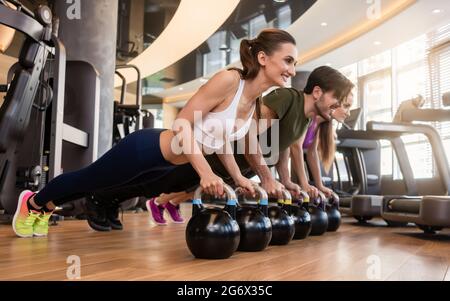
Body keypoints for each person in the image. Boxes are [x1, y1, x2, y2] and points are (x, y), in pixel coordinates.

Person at [12, 28, 298, 237]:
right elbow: (182, 124)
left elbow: (220, 142)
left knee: (92, 187)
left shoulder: (253, 104)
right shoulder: (229, 81)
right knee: (87, 179)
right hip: (145, 150)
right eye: (288, 61)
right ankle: (33, 202)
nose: (292, 70)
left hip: (162, 166)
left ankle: (45, 206)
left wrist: (236, 177)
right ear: (262, 57)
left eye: (294, 63)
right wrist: (205, 173)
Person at [142, 66, 354, 225]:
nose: (340, 106)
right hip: (227, 151)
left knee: (202, 188)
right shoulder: (287, 97)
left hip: (247, 164)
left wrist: (287, 179)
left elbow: (284, 146)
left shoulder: (306, 120)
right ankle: (158, 201)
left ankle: (168, 202)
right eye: (339, 100)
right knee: (189, 183)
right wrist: (267, 177)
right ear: (318, 92)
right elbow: (249, 130)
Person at [290, 91, 354, 199]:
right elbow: (295, 147)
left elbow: (312, 152)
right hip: (264, 154)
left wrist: (319, 185)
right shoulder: (310, 117)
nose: (348, 113)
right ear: (335, 102)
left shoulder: (321, 122)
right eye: (346, 106)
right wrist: (304, 184)